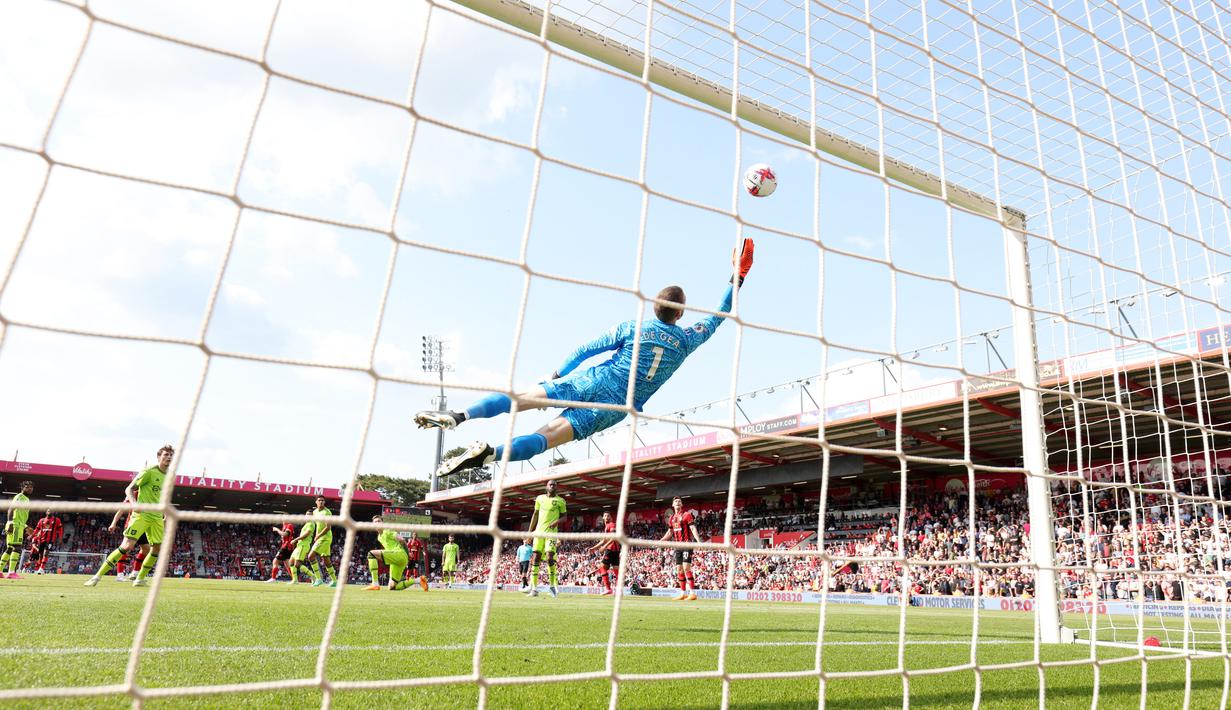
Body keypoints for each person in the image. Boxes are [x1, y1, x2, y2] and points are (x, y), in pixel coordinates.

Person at [418, 240, 755, 477]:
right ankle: (490, 455)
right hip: (613, 407)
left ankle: (461, 415)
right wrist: (737, 276)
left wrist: (556, 376)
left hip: (593, 379)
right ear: (680, 313)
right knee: (543, 441)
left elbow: (584, 350)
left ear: (654, 306)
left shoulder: (632, 327)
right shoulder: (685, 340)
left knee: (520, 399)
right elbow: (718, 315)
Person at [85, 445, 174, 588]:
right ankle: (96, 577)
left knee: (156, 548)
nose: (169, 457)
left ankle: (139, 579)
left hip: (157, 517)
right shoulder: (149, 471)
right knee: (127, 546)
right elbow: (129, 488)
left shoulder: (171, 476)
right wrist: (134, 503)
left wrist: (165, 514)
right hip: (142, 515)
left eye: (171, 455)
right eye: (166, 454)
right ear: (159, 457)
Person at [525, 479, 567, 598]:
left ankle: (552, 586)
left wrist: (556, 522)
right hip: (539, 532)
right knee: (536, 558)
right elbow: (535, 514)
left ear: (556, 487)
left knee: (549, 557)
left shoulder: (560, 501)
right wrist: (529, 532)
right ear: (546, 487)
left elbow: (565, 517)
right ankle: (534, 589)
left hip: (551, 534)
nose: (552, 486)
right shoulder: (539, 499)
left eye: (554, 485)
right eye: (550, 484)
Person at [660, 497, 701, 601]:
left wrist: (698, 540)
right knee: (679, 570)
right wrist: (661, 540)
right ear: (673, 505)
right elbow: (670, 533)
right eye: (676, 502)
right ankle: (682, 593)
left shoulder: (687, 515)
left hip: (687, 544)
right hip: (678, 546)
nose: (677, 503)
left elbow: (692, 528)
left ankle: (692, 593)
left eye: (679, 502)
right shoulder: (672, 518)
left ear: (681, 505)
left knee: (686, 567)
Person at [364, 515, 413, 591]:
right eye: (375, 522)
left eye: (379, 521)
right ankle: (418, 580)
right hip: (397, 560)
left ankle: (375, 584)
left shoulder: (387, 530)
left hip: (399, 554)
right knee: (392, 587)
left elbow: (402, 540)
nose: (377, 523)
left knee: (371, 554)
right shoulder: (379, 537)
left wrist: (407, 553)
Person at [1, 481, 33, 579]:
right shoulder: (20, 497)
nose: (30, 489)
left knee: (10, 548)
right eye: (27, 487)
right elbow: (10, 509)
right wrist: (10, 522)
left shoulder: (26, 499)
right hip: (15, 525)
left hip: (18, 525)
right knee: (17, 548)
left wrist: (26, 526)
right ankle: (11, 572)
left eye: (31, 487)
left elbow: (20, 516)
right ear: (22, 488)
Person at [108, 507, 150, 581]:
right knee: (126, 548)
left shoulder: (151, 498)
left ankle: (135, 573)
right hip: (132, 525)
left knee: (146, 548)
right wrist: (113, 523)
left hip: (143, 526)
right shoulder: (133, 496)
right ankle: (120, 575)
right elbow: (121, 509)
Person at [586, 511, 619, 596]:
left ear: (610, 517)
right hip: (615, 550)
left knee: (602, 568)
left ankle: (608, 589)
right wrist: (594, 548)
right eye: (605, 516)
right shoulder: (606, 527)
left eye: (608, 515)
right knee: (616, 571)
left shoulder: (611, 525)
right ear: (603, 518)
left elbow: (613, 537)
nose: (607, 517)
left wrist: (604, 547)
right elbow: (604, 540)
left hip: (611, 549)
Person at [307, 496, 337, 588]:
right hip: (320, 537)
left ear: (324, 502)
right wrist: (316, 536)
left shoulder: (327, 512)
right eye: (319, 500)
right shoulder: (315, 512)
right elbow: (317, 526)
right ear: (316, 502)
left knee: (311, 556)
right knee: (326, 559)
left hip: (325, 538)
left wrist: (318, 536)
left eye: (323, 500)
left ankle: (318, 579)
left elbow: (328, 527)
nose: (321, 502)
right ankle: (335, 581)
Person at [27, 510, 63, 575]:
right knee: (40, 555)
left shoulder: (56, 520)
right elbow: (37, 529)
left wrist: (60, 537)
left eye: (51, 511)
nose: (50, 512)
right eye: (48, 511)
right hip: (41, 540)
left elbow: (60, 529)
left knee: (46, 553)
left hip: (50, 540)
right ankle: (38, 568)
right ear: (46, 512)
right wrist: (31, 535)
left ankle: (42, 568)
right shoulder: (41, 520)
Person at [286, 509, 315, 585]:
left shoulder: (311, 524)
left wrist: (295, 539)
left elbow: (306, 534)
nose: (308, 516)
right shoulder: (306, 523)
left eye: (310, 515)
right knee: (291, 562)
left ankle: (312, 576)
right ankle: (295, 580)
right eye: (307, 514)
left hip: (304, 546)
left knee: (297, 564)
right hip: (300, 545)